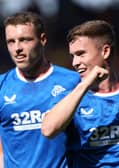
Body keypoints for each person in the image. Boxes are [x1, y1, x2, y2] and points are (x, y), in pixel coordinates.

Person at [41, 20, 119, 168]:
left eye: (81, 54)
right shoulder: (70, 99)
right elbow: (48, 129)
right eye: (73, 56)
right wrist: (85, 85)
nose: (75, 62)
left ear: (105, 51)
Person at [0, 11, 80, 168]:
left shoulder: (73, 82)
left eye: (24, 40)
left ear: (42, 40)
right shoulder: (1, 86)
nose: (17, 48)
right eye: (11, 41)